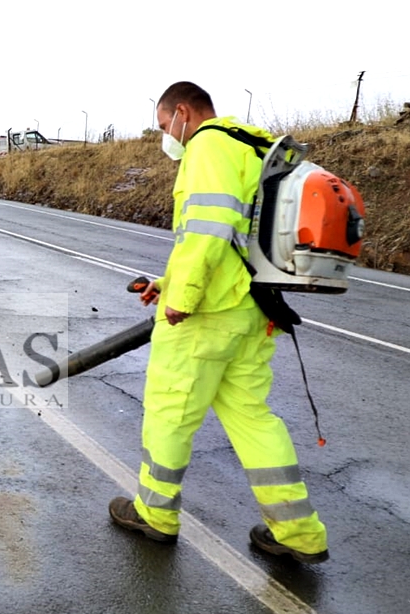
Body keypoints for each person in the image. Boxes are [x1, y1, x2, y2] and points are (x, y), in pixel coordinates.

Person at [108, 81, 329, 564]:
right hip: (254, 310)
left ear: (183, 111)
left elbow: (206, 230)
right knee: (254, 419)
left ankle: (155, 514)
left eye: (165, 125)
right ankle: (300, 533)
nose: (167, 135)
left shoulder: (206, 144)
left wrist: (181, 298)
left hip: (207, 314)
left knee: (170, 411)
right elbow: (232, 241)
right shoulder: (252, 146)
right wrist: (166, 282)